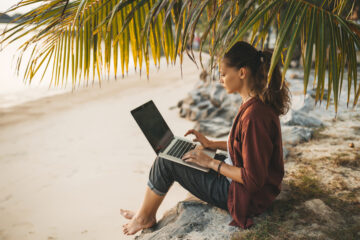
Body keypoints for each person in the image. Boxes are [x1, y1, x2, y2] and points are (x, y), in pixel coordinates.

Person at [121, 41, 290, 235]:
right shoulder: (254, 104)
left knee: (165, 161)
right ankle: (145, 213)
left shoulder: (254, 116)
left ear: (242, 73)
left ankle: (144, 218)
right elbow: (245, 147)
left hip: (244, 197)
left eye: (224, 74)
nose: (221, 80)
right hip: (246, 187)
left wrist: (210, 163)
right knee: (184, 154)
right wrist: (210, 144)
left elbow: (253, 179)